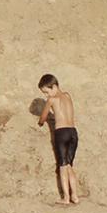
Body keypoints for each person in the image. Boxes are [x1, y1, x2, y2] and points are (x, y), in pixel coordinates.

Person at [38, 74, 80, 205]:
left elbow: (43, 117)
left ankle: (66, 197)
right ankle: (75, 196)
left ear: (54, 86)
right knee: (69, 165)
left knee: (62, 166)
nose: (46, 95)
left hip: (61, 133)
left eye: (46, 91)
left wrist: (41, 122)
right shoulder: (67, 95)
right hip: (73, 132)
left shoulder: (52, 99)